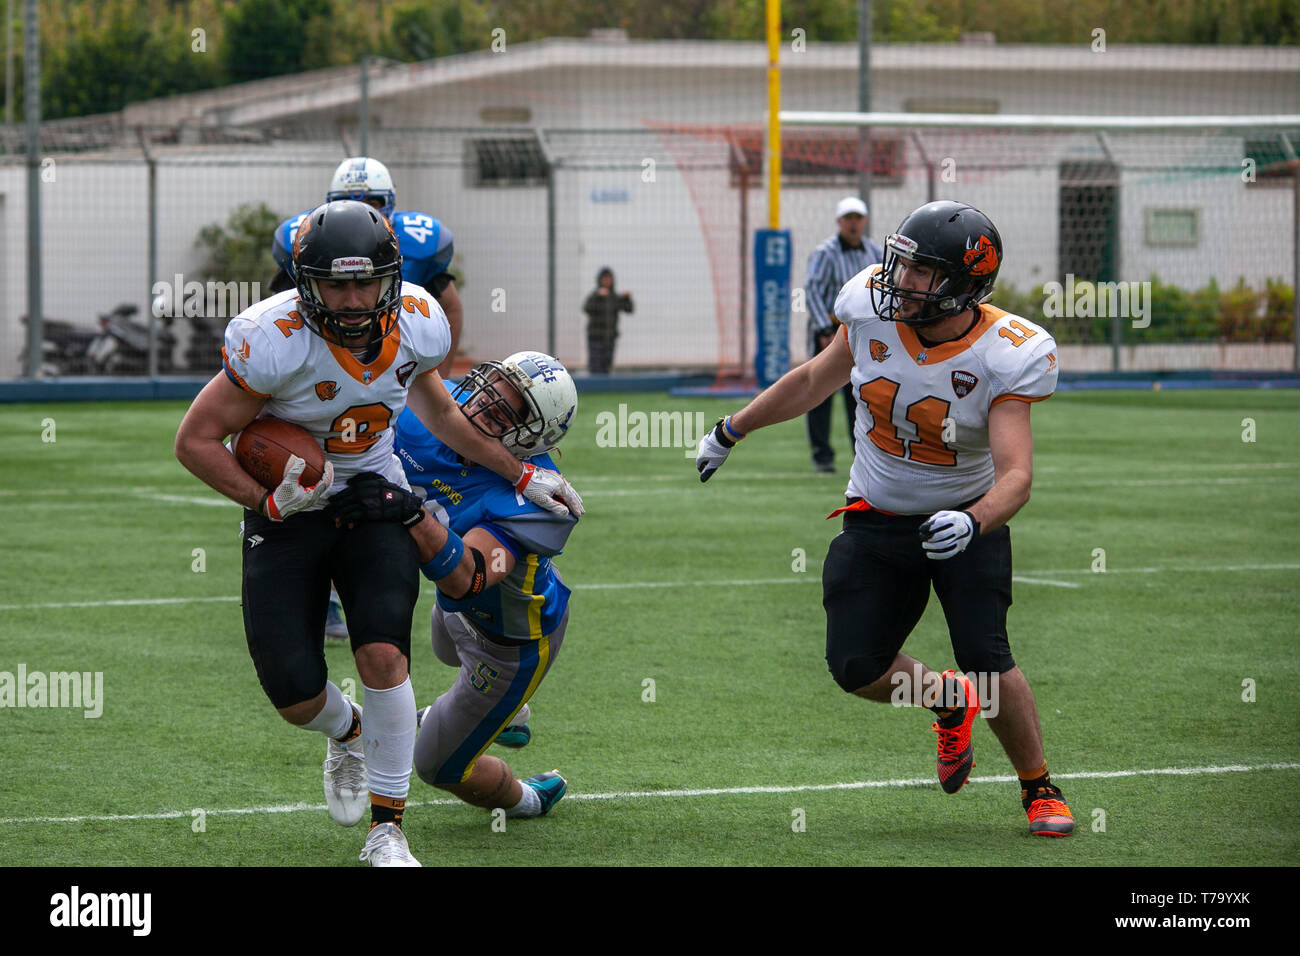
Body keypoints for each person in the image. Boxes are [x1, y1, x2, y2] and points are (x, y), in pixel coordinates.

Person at [174, 200, 583, 866]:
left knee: (384, 659)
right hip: (292, 509)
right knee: (293, 692)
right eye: (337, 282)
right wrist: (266, 502)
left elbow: (448, 428)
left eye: (366, 281)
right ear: (306, 282)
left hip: (381, 508)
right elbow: (194, 439)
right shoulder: (271, 337)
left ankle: (386, 831)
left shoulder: (418, 324)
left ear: (392, 277)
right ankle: (348, 729)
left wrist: (517, 477)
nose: (355, 298)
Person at [695, 200, 1073, 837]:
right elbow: (815, 379)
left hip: (964, 522)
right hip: (876, 514)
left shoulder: (1007, 351)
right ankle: (949, 701)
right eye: (902, 263)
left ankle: (1039, 786)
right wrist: (732, 428)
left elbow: (1017, 477)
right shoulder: (869, 308)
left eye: (922, 271)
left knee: (986, 653)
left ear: (963, 283)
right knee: (855, 666)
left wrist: (974, 521)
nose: (901, 279)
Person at [328, 351, 578, 822]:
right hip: (453, 613)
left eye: (508, 408)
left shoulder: (538, 498)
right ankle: (510, 717)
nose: (482, 404)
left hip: (508, 642)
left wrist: (405, 510)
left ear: (534, 436)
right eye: (492, 385)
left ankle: (528, 799)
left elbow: (470, 578)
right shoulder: (430, 413)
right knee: (443, 648)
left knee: (436, 764)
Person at [269, 156, 465, 640]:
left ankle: (447, 589)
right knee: (321, 484)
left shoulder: (419, 248)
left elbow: (448, 302)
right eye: (349, 201)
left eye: (372, 201)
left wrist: (432, 374)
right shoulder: (306, 239)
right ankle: (329, 594)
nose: (360, 208)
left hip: (389, 375)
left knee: (413, 483)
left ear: (391, 206)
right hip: (323, 385)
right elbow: (278, 306)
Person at [804, 197, 884, 473]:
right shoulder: (825, 253)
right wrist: (824, 329)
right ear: (839, 222)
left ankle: (860, 453)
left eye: (857, 218)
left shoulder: (873, 251)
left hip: (861, 332)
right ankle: (822, 455)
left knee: (860, 393)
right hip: (829, 328)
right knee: (818, 392)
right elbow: (813, 290)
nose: (853, 223)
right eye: (848, 218)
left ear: (864, 221)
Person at [582, 267, 633, 374]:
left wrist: (627, 298)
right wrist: (597, 295)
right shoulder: (594, 296)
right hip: (595, 338)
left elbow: (629, 309)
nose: (607, 282)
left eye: (609, 279)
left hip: (609, 339)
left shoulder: (614, 297)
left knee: (606, 367)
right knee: (595, 367)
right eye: (604, 279)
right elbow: (586, 308)